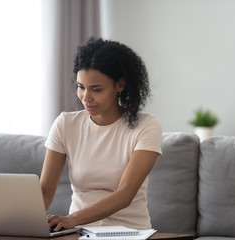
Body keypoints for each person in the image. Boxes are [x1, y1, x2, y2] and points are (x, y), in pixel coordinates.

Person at [40, 37, 162, 231]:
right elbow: (45, 192)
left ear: (120, 85)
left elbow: (125, 194)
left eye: (96, 89)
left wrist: (73, 219)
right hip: (78, 233)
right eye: (81, 87)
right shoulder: (65, 124)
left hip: (129, 233)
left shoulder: (146, 126)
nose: (85, 97)